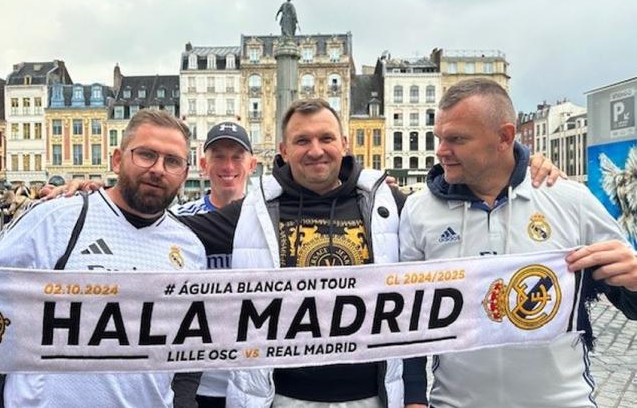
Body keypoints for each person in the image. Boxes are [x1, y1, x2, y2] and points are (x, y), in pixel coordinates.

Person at [48, 99, 560, 407]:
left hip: (369, 394)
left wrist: (522, 165)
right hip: (282, 396)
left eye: (325, 138)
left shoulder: (388, 202)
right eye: (302, 141)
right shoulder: (251, 210)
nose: (315, 149)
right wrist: (101, 195)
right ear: (284, 152)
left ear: (343, 142)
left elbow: (427, 281)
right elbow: (162, 232)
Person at [398, 78, 637, 408]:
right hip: (454, 403)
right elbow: (409, 318)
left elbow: (629, 303)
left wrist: (635, 281)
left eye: (456, 139)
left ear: (504, 137)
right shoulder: (418, 210)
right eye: (440, 137)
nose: (440, 150)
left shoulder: (569, 200)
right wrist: (413, 399)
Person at [0, 110, 206, 408]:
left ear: (184, 173)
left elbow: (188, 349)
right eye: (146, 155)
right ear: (117, 159)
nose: (158, 169)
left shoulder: (190, 249)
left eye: (172, 161)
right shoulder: (55, 218)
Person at [171, 122, 256, 408]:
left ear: (252, 164)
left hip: (255, 376)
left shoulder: (268, 221)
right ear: (204, 164)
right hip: (196, 378)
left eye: (237, 156)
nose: (228, 165)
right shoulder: (176, 218)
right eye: (219, 156)